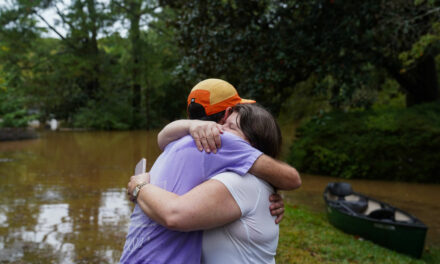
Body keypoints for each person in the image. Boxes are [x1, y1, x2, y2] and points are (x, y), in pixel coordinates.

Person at [121, 104, 298, 263]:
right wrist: (191, 125)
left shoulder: (238, 182)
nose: (218, 129)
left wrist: (139, 187)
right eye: (222, 123)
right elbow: (163, 138)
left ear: (251, 144)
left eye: (231, 127)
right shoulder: (231, 178)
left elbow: (174, 214)